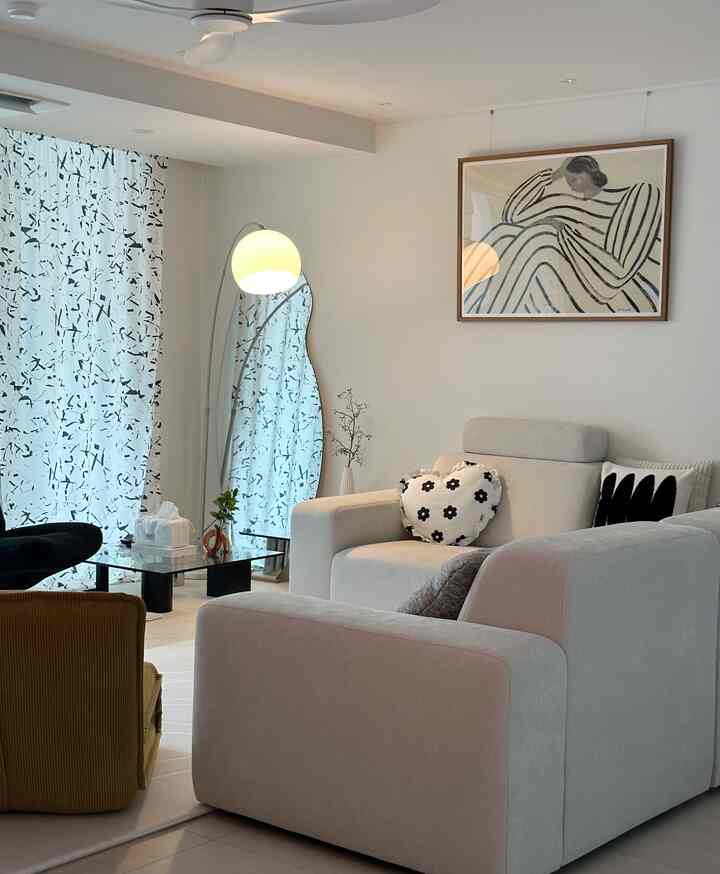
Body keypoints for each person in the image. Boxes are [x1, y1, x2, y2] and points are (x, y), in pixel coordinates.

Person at [463, 155, 663, 316]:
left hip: (616, 294)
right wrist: (555, 175)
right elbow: (512, 215)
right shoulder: (569, 205)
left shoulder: (638, 195)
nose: (572, 186)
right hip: (572, 281)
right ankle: (476, 313)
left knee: (542, 236)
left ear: (591, 172)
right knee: (504, 232)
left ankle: (488, 316)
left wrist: (562, 232)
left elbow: (614, 279)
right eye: (568, 181)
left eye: (575, 179)